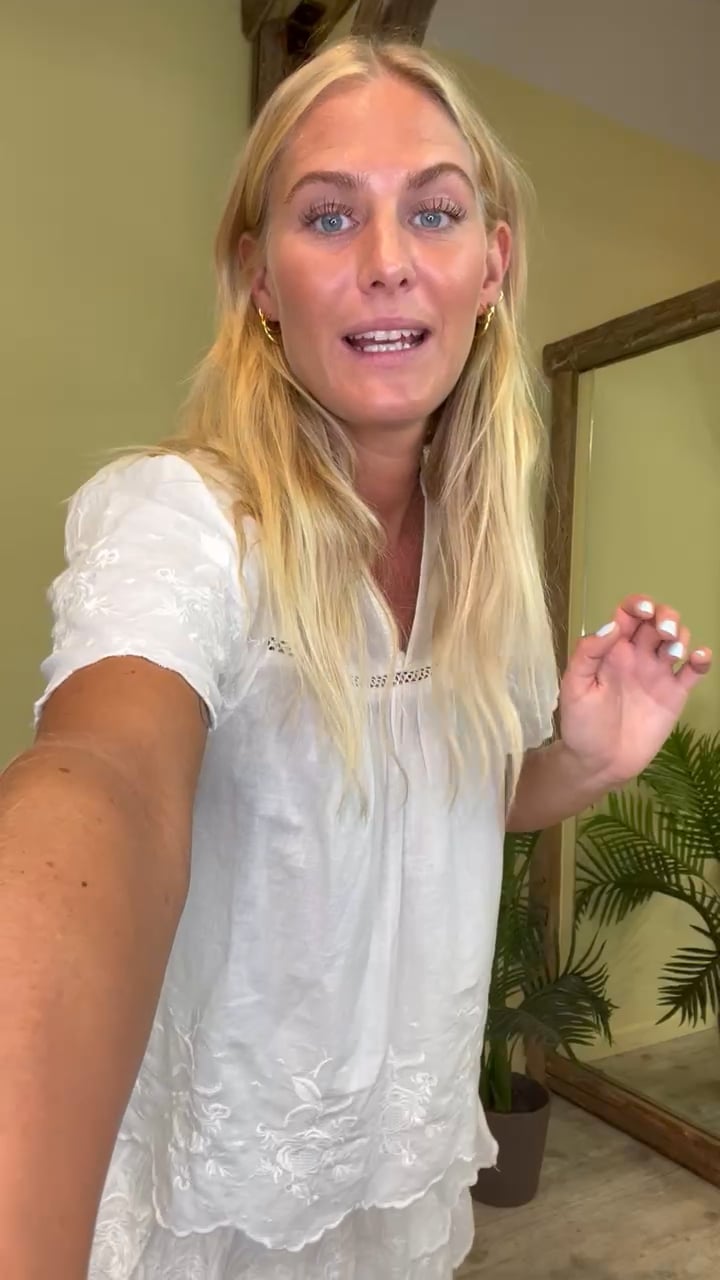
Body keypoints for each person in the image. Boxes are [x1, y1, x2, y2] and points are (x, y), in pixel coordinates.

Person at [0, 35, 712, 1280]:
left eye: (434, 211)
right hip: (213, 1198)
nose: (387, 260)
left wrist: (585, 761)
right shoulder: (181, 519)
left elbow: (457, 799)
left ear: (491, 266)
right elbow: (107, 780)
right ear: (259, 278)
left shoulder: (489, 556)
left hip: (397, 1170)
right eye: (329, 216)